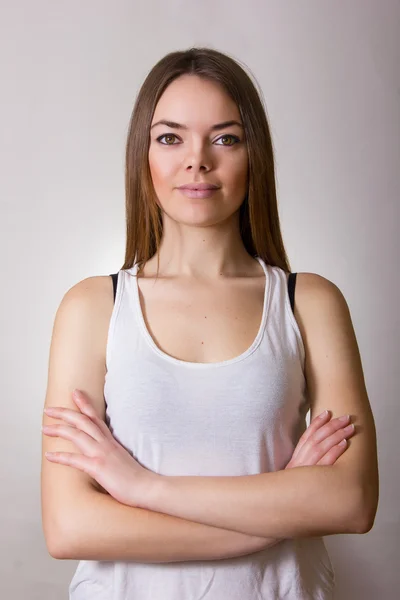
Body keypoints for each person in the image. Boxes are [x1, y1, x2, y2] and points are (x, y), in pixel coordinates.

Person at [41, 47, 379, 599]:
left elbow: (352, 502)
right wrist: (280, 507)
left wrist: (140, 487)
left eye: (226, 138)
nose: (197, 160)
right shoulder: (91, 308)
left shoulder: (308, 303)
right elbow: (70, 526)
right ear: (142, 154)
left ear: (255, 155)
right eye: (170, 137)